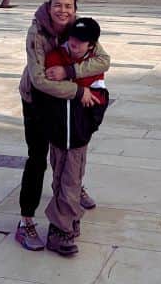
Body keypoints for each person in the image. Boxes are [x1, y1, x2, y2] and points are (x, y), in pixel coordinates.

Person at [15, 0, 109, 253]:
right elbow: (39, 79)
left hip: (65, 101)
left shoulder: (79, 27)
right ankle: (26, 221)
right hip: (37, 100)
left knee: (68, 149)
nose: (63, 10)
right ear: (49, 6)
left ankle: (71, 191)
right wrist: (79, 89)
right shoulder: (37, 32)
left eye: (68, 6)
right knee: (38, 156)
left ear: (75, 9)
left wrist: (69, 71)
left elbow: (103, 60)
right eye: (58, 5)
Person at [33, 17, 110, 256]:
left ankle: (61, 229)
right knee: (61, 177)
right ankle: (70, 217)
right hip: (57, 132)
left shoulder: (93, 64)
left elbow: (99, 97)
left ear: (91, 45)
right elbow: (46, 84)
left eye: (81, 42)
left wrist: (88, 124)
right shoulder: (56, 56)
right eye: (72, 40)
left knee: (71, 179)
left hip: (77, 134)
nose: (74, 45)